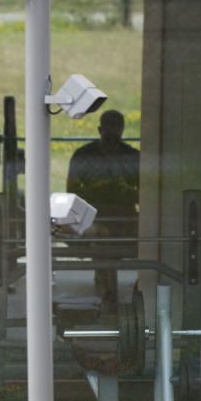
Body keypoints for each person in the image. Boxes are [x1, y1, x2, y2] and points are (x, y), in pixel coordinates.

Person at [66, 109, 140, 311]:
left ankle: (117, 293)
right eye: (109, 131)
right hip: (95, 219)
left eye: (115, 131)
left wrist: (121, 191)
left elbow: (146, 194)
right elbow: (72, 194)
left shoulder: (133, 157)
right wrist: (100, 190)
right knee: (102, 237)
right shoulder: (83, 156)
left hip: (125, 218)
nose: (112, 136)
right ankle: (108, 295)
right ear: (100, 130)